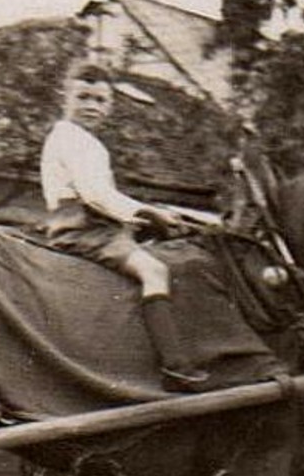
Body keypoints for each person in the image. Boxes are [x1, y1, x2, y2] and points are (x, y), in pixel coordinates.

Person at [38, 63, 210, 390]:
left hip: (95, 227)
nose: (91, 106)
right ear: (65, 97)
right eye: (83, 97)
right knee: (155, 272)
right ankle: (175, 367)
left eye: (100, 100)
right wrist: (148, 212)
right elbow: (97, 196)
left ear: (110, 105)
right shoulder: (74, 139)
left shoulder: (78, 139)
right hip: (86, 229)